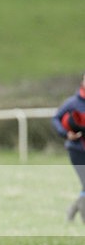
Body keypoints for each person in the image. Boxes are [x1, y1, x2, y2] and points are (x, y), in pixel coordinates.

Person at [52, 72, 85, 222]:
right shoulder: (72, 103)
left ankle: (72, 209)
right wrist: (66, 133)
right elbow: (56, 118)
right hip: (76, 149)